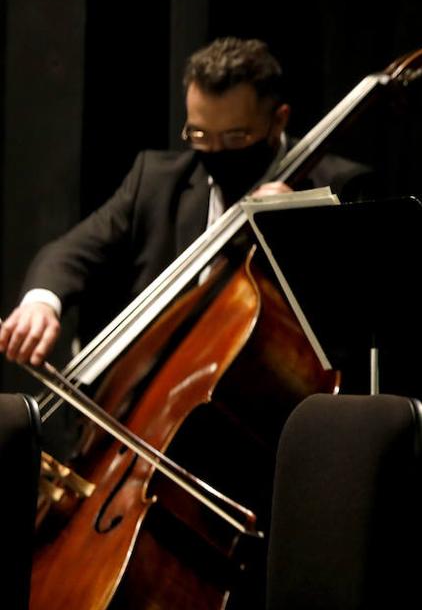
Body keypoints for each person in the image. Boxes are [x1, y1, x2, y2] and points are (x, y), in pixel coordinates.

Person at [0, 37, 367, 367]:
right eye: (199, 134)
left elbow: (360, 320)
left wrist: (305, 239)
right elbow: (71, 251)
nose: (215, 150)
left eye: (236, 136)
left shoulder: (338, 187)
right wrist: (41, 302)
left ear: (278, 121)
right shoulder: (157, 182)